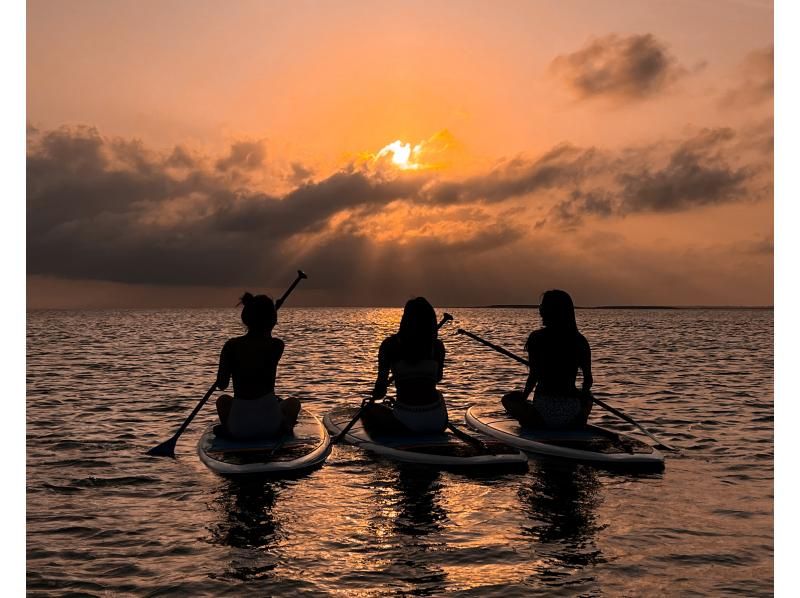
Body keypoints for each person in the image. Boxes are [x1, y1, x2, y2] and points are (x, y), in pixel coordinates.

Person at [502, 289, 593, 429]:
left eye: (542, 305)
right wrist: (583, 396)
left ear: (548, 310)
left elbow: (533, 376)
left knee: (508, 399)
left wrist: (524, 398)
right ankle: (577, 421)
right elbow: (588, 380)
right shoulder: (580, 341)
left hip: (542, 413)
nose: (540, 308)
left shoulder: (537, 338)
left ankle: (531, 420)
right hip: (572, 411)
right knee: (588, 398)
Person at [214, 292, 300, 440]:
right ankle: (285, 428)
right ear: (272, 321)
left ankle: (228, 430)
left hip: (239, 427)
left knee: (222, 400)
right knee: (293, 403)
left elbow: (222, 384)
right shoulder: (277, 345)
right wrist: (271, 316)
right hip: (270, 425)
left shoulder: (231, 346)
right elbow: (264, 340)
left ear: (246, 318)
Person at [362, 297, 448, 435]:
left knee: (368, 409)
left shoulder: (389, 346)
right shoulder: (438, 346)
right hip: (438, 421)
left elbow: (380, 392)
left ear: (405, 319)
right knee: (438, 395)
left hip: (405, 421)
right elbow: (437, 378)